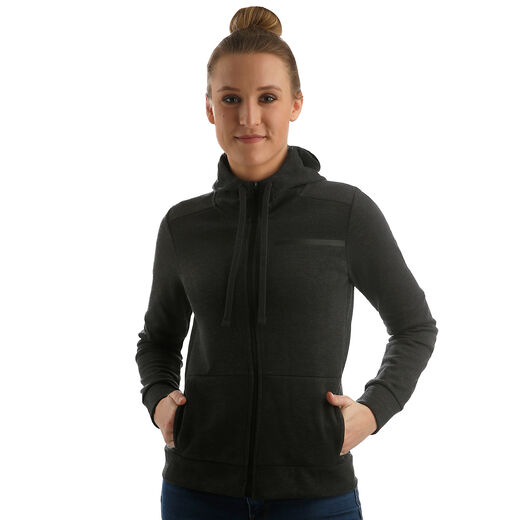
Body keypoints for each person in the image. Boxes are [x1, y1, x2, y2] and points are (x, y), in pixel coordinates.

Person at [135, 6, 438, 520]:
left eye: (268, 98)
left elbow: (414, 326)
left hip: (315, 492)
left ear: (296, 104)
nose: (249, 118)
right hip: (196, 490)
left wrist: (374, 410)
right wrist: (160, 397)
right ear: (209, 108)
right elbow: (158, 340)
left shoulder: (345, 212)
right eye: (231, 99)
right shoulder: (183, 225)